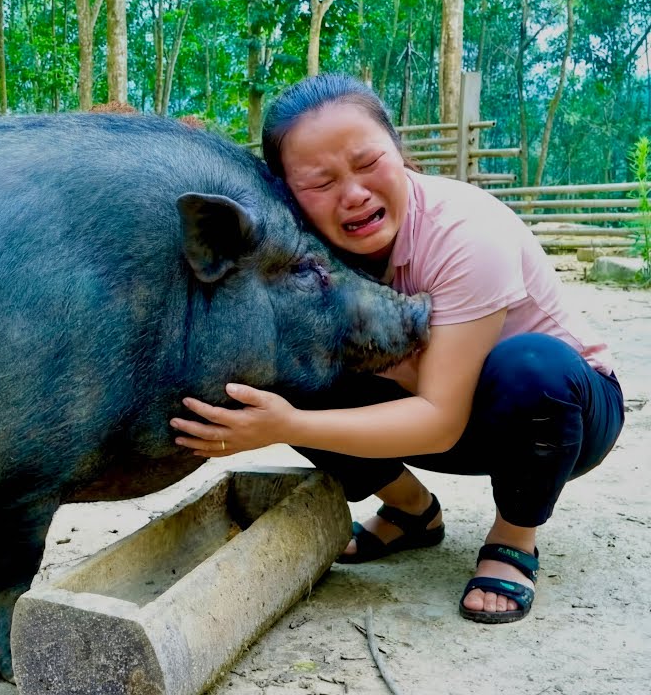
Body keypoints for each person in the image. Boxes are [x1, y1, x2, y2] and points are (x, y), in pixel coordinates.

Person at [169, 74, 625, 624]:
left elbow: (440, 422)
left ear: (398, 149)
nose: (353, 194)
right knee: (295, 365)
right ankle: (412, 512)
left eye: (367, 163)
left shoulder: (467, 232)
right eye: (320, 182)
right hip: (430, 406)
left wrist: (286, 426)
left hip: (555, 420)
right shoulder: (307, 243)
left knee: (532, 367)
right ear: (287, 193)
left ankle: (514, 536)